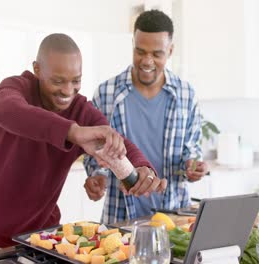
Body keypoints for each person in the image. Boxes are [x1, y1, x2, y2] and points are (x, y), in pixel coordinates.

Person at [0, 33, 166, 256]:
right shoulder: (16, 88)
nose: (68, 90)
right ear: (37, 69)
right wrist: (74, 133)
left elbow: (117, 141)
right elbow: (8, 111)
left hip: (39, 239)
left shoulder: (81, 110)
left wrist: (143, 166)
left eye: (76, 80)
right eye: (58, 81)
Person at [83, 10, 208, 224]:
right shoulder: (106, 93)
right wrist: (98, 176)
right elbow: (94, 150)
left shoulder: (186, 95)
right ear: (133, 44)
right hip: (120, 216)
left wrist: (193, 166)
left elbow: (192, 150)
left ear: (170, 50)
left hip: (174, 216)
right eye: (140, 51)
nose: (147, 61)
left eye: (157, 54)